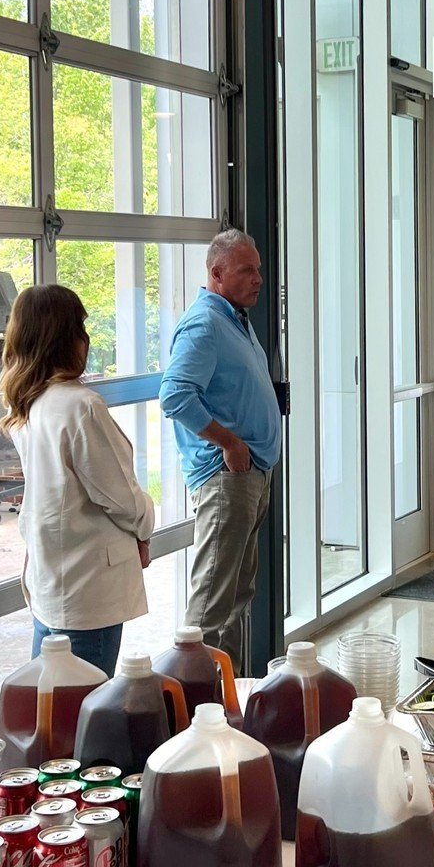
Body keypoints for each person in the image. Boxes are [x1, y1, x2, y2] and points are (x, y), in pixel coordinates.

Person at [0, 283, 153, 674]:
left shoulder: (29, 403)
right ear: (67, 338)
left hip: (51, 580)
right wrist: (145, 525)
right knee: (82, 716)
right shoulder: (81, 406)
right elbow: (119, 496)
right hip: (88, 592)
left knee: (50, 708)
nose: (86, 337)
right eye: (81, 328)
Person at [159, 229, 282, 673]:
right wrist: (229, 442)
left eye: (259, 269)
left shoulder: (234, 319)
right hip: (226, 478)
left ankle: (228, 697)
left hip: (251, 474)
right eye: (247, 270)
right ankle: (195, 712)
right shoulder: (205, 324)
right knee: (211, 604)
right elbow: (175, 396)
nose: (259, 279)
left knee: (235, 598)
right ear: (216, 273)